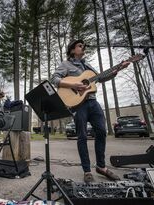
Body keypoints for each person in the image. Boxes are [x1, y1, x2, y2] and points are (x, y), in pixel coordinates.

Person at [51, 39, 130, 183]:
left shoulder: (87, 66)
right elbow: (54, 79)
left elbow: (101, 77)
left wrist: (118, 69)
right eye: (80, 46)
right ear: (72, 50)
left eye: (83, 46)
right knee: (82, 136)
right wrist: (74, 84)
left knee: (101, 131)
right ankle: (87, 171)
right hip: (77, 104)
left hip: (93, 102)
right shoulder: (66, 64)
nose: (83, 47)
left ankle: (101, 167)